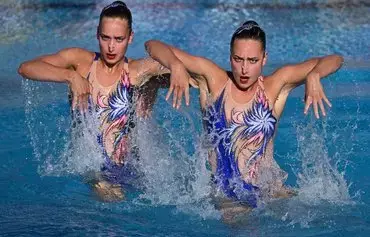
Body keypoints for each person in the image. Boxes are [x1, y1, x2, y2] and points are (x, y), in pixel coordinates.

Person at [145, 20, 343, 218]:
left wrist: (315, 75)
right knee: (239, 223)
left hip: (271, 192)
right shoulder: (213, 80)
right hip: (227, 197)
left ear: (264, 59)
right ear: (230, 57)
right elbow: (152, 45)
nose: (244, 69)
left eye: (252, 60)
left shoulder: (275, 86)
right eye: (238, 59)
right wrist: (175, 65)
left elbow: (335, 59)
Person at [18, 1, 190, 201]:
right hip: (95, 169)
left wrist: (175, 66)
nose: (111, 46)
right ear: (97, 34)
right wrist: (71, 77)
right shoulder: (81, 62)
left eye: (119, 39)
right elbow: (26, 68)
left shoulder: (136, 71)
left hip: (134, 166)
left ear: (130, 38)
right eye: (105, 37)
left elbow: (179, 63)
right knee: (112, 201)